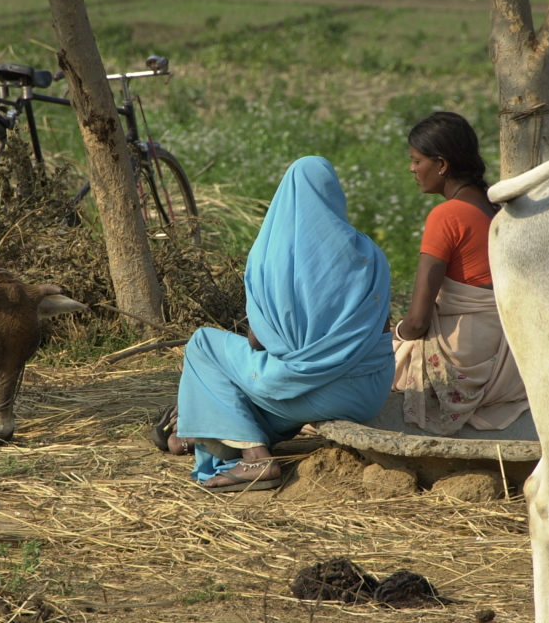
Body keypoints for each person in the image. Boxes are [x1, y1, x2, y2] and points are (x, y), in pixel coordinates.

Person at [168, 156, 395, 492]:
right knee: (270, 386)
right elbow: (383, 326)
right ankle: (193, 430)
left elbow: (259, 341)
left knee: (204, 345)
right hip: (368, 393)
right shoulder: (370, 254)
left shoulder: (273, 256)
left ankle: (255, 457)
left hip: (309, 392)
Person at [391, 111, 527, 436]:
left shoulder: (447, 215)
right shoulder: (496, 208)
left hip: (465, 354)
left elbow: (417, 322)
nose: (412, 169)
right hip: (504, 350)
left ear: (441, 164)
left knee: (375, 358)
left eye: (417, 160)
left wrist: (394, 335)